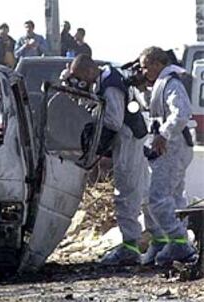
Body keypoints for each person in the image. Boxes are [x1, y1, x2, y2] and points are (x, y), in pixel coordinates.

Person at [66, 54, 148, 265]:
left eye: (79, 76)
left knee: (126, 192)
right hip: (128, 139)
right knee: (137, 192)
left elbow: (113, 120)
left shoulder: (110, 85)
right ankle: (146, 242)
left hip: (128, 140)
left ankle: (130, 247)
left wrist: (97, 139)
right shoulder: (105, 79)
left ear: (88, 71)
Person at [139, 46, 197, 266]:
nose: (144, 72)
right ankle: (172, 242)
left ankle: (179, 242)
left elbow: (180, 113)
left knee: (157, 198)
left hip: (172, 147)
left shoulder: (171, 83)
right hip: (173, 146)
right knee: (174, 198)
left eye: (145, 67)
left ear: (157, 63)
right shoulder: (162, 84)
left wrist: (163, 135)